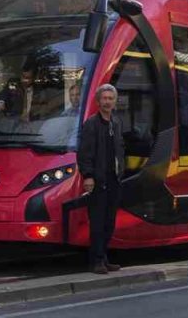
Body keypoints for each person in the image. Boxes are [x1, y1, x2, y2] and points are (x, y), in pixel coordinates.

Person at [77, 83, 124, 274]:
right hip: (97, 180)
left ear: (115, 102)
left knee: (109, 222)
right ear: (98, 101)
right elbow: (85, 153)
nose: (107, 102)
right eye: (104, 98)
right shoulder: (91, 124)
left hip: (113, 179)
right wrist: (88, 176)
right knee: (97, 222)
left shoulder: (116, 122)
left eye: (110, 99)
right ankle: (96, 261)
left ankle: (104, 257)